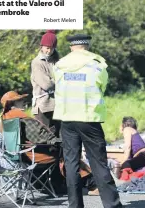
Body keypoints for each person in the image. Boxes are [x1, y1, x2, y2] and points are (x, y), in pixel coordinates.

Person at [52, 34, 122, 208]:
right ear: (87, 46)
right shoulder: (96, 64)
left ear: (71, 47)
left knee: (71, 163)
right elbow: (102, 86)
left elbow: (57, 88)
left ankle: (75, 205)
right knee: (98, 162)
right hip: (89, 119)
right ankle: (111, 205)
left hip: (67, 119)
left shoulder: (60, 65)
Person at [31, 30, 60, 136]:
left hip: (57, 105)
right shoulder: (37, 63)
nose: (49, 51)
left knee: (58, 138)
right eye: (47, 48)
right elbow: (46, 85)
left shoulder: (57, 61)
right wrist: (59, 81)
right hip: (42, 106)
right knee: (45, 139)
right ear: (42, 46)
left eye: (52, 48)